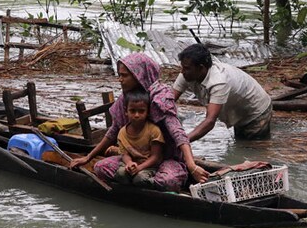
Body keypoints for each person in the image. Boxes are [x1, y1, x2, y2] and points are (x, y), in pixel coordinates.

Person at [70, 52, 209, 190]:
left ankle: (141, 182)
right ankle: (138, 181)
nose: (120, 80)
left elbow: (178, 134)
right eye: (119, 75)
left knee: (168, 180)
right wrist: (87, 158)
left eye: (124, 76)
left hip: (164, 160)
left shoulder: (160, 99)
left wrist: (192, 166)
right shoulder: (126, 99)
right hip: (133, 159)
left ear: (139, 75)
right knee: (100, 167)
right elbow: (113, 131)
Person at [172, 43, 273, 142]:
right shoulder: (186, 74)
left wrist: (182, 142)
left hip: (256, 110)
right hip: (239, 109)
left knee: (253, 148)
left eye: (187, 68)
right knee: (241, 144)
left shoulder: (218, 82)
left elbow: (210, 121)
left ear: (201, 68)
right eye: (183, 67)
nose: (182, 72)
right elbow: (169, 101)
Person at [94, 89, 165, 188]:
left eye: (141, 111)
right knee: (121, 174)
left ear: (147, 112)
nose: (136, 115)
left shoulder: (154, 130)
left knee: (140, 179)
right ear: (126, 112)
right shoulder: (122, 132)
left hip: (149, 166)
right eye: (132, 111)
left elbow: (155, 157)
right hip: (131, 164)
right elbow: (125, 154)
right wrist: (129, 163)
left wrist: (139, 167)